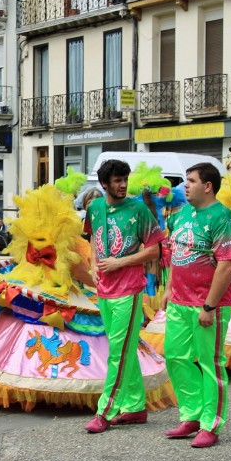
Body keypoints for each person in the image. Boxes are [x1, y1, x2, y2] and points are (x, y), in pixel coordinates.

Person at [161, 162, 231, 448]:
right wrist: (169, 288)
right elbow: (173, 253)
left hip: (208, 305)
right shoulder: (182, 214)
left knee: (211, 364)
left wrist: (209, 306)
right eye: (186, 180)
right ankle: (192, 414)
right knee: (175, 356)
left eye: (191, 181)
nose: (185, 185)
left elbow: (226, 265)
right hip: (180, 302)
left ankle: (211, 423)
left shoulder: (222, 217)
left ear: (208, 186)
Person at [83, 160, 164, 433]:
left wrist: (121, 262)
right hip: (104, 291)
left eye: (125, 179)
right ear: (104, 184)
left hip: (128, 291)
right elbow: (93, 238)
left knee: (117, 353)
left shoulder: (138, 209)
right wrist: (94, 264)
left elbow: (155, 250)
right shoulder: (94, 208)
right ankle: (135, 407)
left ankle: (105, 410)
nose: (122, 185)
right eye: (117, 180)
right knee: (124, 351)